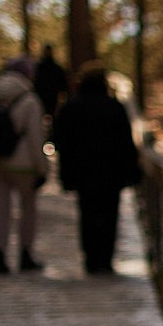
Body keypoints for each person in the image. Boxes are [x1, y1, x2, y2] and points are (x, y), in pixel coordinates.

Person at [53, 61, 142, 274]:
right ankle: (105, 260)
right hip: (112, 174)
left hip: (83, 174)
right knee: (109, 216)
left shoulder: (71, 107)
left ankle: (91, 260)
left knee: (87, 215)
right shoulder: (114, 107)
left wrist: (66, 174)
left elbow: (60, 143)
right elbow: (126, 143)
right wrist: (132, 171)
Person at [0, 54, 49, 275]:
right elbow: (37, 139)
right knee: (28, 210)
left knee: (0, 210)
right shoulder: (30, 100)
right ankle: (25, 254)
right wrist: (42, 169)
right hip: (24, 166)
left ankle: (0, 257)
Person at [33, 44, 70, 129]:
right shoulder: (39, 68)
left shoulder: (39, 68)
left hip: (51, 99)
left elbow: (63, 86)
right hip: (43, 98)